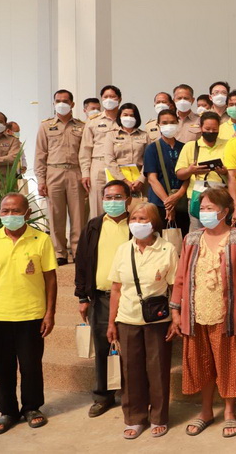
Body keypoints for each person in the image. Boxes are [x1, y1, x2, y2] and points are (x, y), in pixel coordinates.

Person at [169, 188, 236, 438]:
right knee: (202, 364)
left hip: (227, 314)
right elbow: (180, 277)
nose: (205, 212)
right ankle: (206, 411)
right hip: (195, 313)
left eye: (210, 208)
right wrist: (175, 310)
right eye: (203, 208)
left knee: (228, 365)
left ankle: (229, 412)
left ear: (225, 211)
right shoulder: (191, 239)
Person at [0, 193, 57, 434]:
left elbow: (50, 279)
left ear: (27, 213)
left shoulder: (41, 239)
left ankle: (32, 408)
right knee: (3, 367)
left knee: (31, 366)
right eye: (5, 211)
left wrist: (50, 313)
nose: (10, 215)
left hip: (31, 315)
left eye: (15, 211)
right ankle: (8, 411)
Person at [106, 202, 177, 439]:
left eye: (143, 219)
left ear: (154, 222)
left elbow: (175, 287)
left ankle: (159, 417)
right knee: (131, 371)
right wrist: (111, 322)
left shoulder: (167, 249)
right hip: (127, 318)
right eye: (134, 219)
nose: (138, 223)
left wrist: (175, 318)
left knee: (158, 371)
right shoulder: (123, 250)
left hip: (158, 321)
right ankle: (135, 418)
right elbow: (116, 288)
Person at [74, 180, 132, 417]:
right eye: (108, 197)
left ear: (128, 199)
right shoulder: (94, 226)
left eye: (118, 197)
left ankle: (131, 395)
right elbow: (81, 261)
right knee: (102, 348)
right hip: (100, 298)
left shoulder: (136, 224)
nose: (112, 201)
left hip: (130, 298)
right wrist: (82, 297)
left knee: (131, 349)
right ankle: (103, 396)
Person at [35, 89, 86, 265]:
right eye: (58, 101)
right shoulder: (45, 126)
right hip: (53, 172)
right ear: (54, 103)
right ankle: (59, 252)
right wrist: (41, 180)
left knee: (78, 215)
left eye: (65, 101)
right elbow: (40, 155)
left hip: (75, 172)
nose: (62, 104)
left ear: (72, 104)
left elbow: (85, 153)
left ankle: (78, 250)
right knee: (55, 215)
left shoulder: (82, 126)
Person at [175, 111, 228, 230]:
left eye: (214, 129)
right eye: (207, 129)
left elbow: (234, 172)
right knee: (196, 231)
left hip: (221, 196)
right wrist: (190, 170)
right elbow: (179, 174)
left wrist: (224, 172)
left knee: (220, 229)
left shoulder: (227, 145)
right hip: (197, 197)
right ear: (200, 128)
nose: (211, 132)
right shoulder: (190, 146)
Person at [143, 109, 190, 234]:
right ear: (158, 125)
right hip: (159, 203)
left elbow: (188, 176)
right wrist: (168, 203)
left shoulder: (185, 147)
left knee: (182, 237)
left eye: (172, 122)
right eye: (164, 123)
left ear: (178, 123)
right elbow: (152, 179)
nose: (169, 125)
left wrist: (178, 196)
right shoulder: (152, 148)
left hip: (182, 202)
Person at [80, 85, 121, 219]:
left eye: (112, 96)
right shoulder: (93, 121)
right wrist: (85, 173)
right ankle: (97, 232)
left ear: (119, 99)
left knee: (120, 205)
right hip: (99, 166)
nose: (109, 99)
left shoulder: (125, 118)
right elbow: (85, 149)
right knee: (97, 208)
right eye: (106, 97)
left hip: (120, 166)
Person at [103, 103, 149, 194]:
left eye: (132, 115)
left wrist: (141, 179)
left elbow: (148, 160)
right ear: (119, 116)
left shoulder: (144, 135)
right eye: (125, 115)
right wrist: (124, 180)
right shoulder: (111, 135)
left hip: (139, 180)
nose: (128, 118)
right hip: (117, 178)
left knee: (141, 203)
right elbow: (109, 160)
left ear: (136, 117)